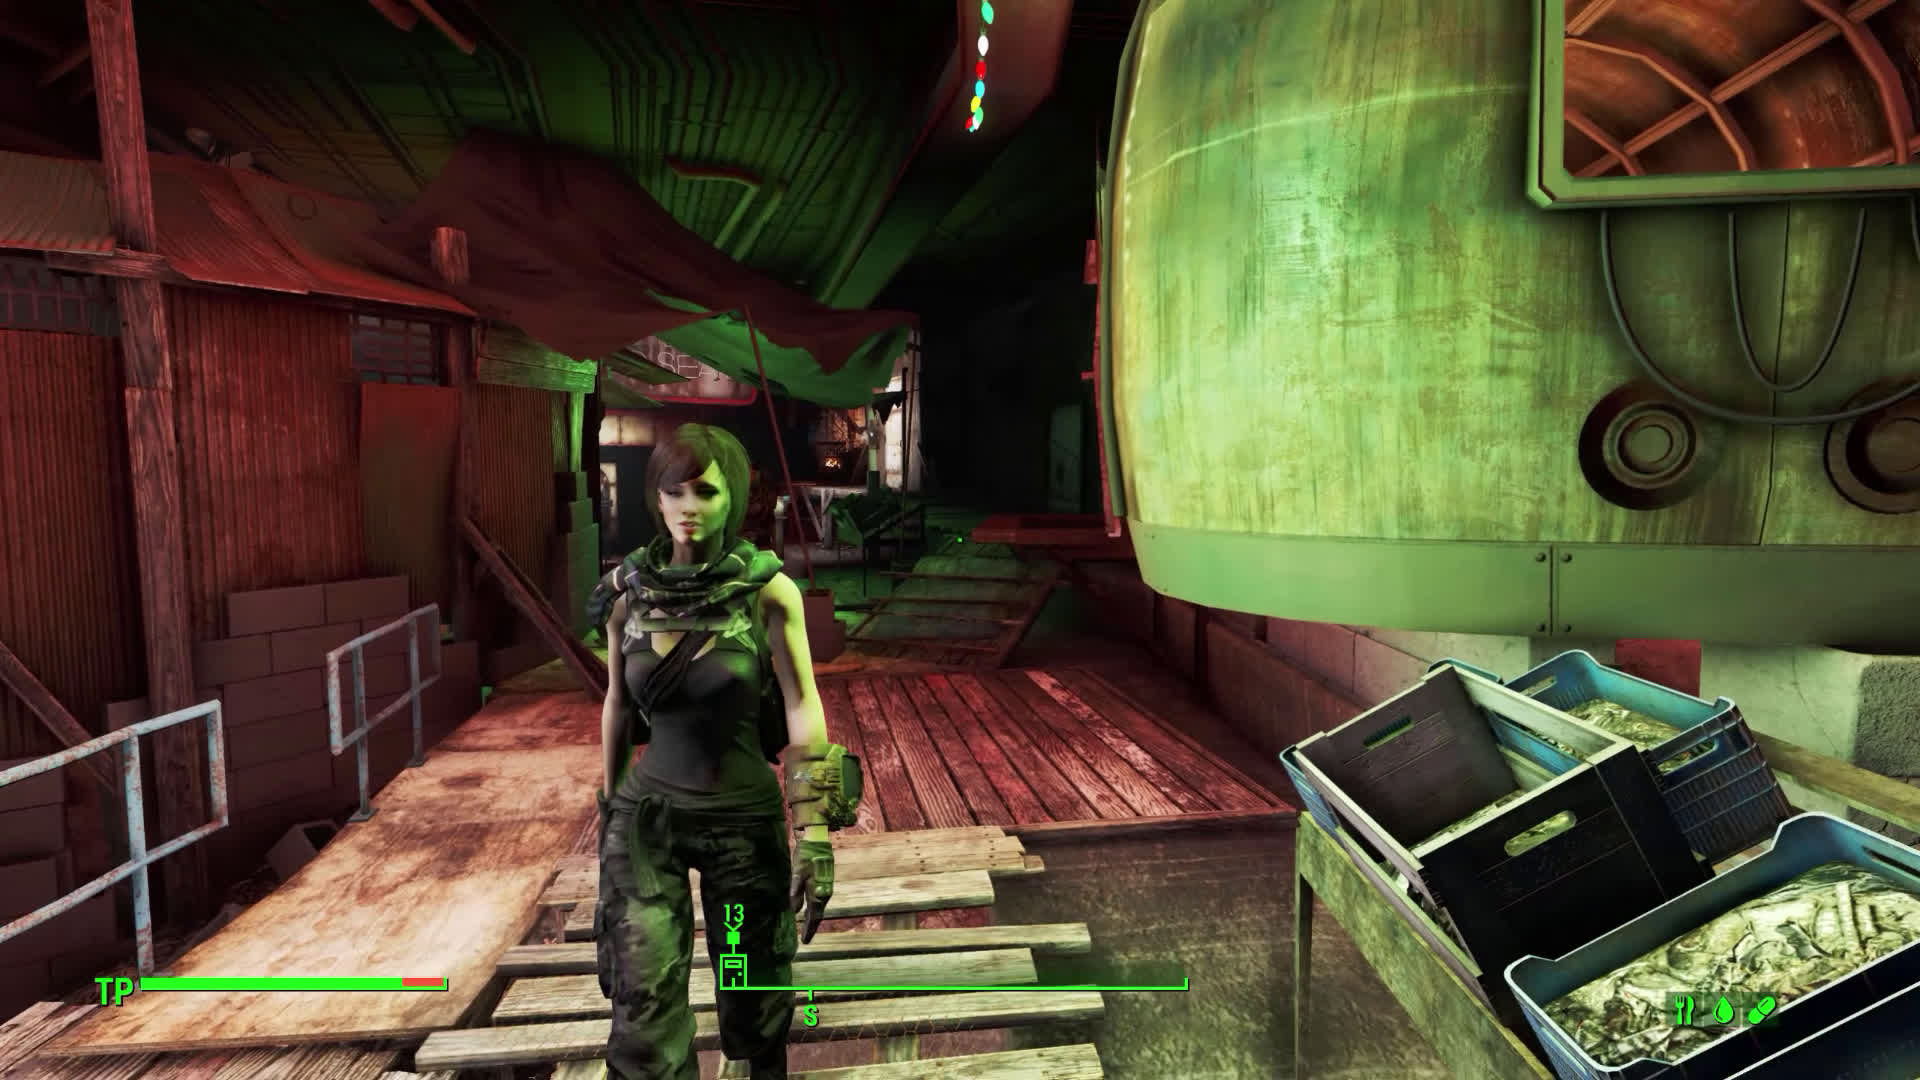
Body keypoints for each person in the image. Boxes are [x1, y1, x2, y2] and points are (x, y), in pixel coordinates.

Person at [586, 424, 852, 1080]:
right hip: (648, 821)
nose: (688, 506)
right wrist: (609, 817)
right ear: (656, 497)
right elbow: (617, 705)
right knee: (644, 1011)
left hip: (740, 822)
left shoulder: (767, 591)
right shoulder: (628, 595)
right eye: (673, 490)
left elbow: (802, 702)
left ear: (732, 496)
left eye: (705, 491)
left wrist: (815, 833)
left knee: (749, 989)